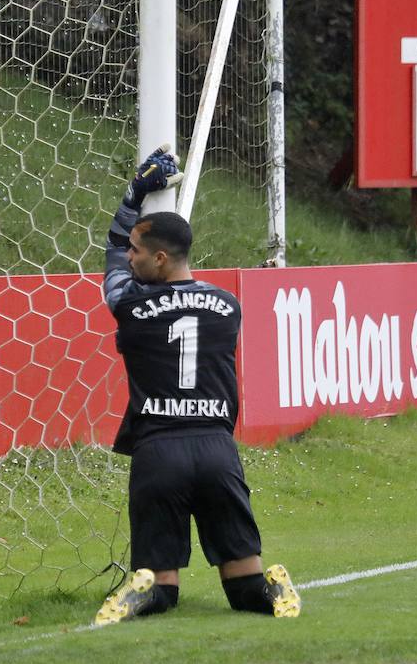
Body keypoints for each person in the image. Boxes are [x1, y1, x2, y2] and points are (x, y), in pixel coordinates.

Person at [93, 145, 301, 625]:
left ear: (160, 259)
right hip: (215, 450)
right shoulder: (229, 306)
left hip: (158, 450)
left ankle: (143, 588)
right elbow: (166, 290)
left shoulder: (129, 305)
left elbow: (112, 258)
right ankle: (274, 588)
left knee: (162, 590)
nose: (129, 256)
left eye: (138, 252)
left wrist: (135, 194)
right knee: (243, 587)